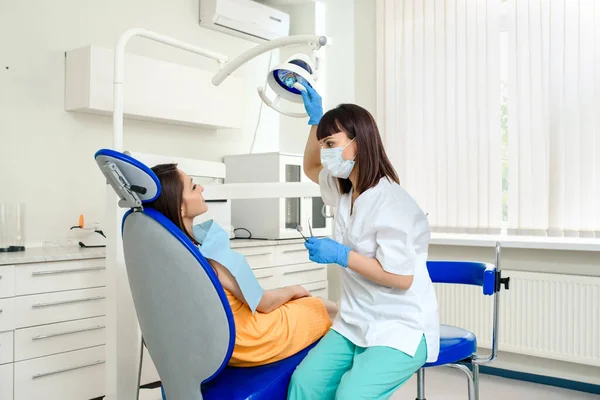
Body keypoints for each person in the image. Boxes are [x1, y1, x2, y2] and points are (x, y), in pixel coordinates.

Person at [287, 85, 440, 400]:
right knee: (305, 383)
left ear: (360, 143)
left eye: (331, 143)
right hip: (355, 320)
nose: (326, 152)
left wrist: (343, 255)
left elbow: (401, 278)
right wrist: (315, 122)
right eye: (323, 144)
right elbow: (311, 168)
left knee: (351, 396)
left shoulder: (393, 203)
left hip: (401, 326)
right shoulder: (344, 192)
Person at [145, 163, 337, 367]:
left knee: (307, 305)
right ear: (179, 206)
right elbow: (265, 303)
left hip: (218, 341)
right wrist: (295, 289)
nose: (201, 188)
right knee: (320, 306)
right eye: (193, 187)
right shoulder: (210, 258)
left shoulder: (175, 255)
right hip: (250, 341)